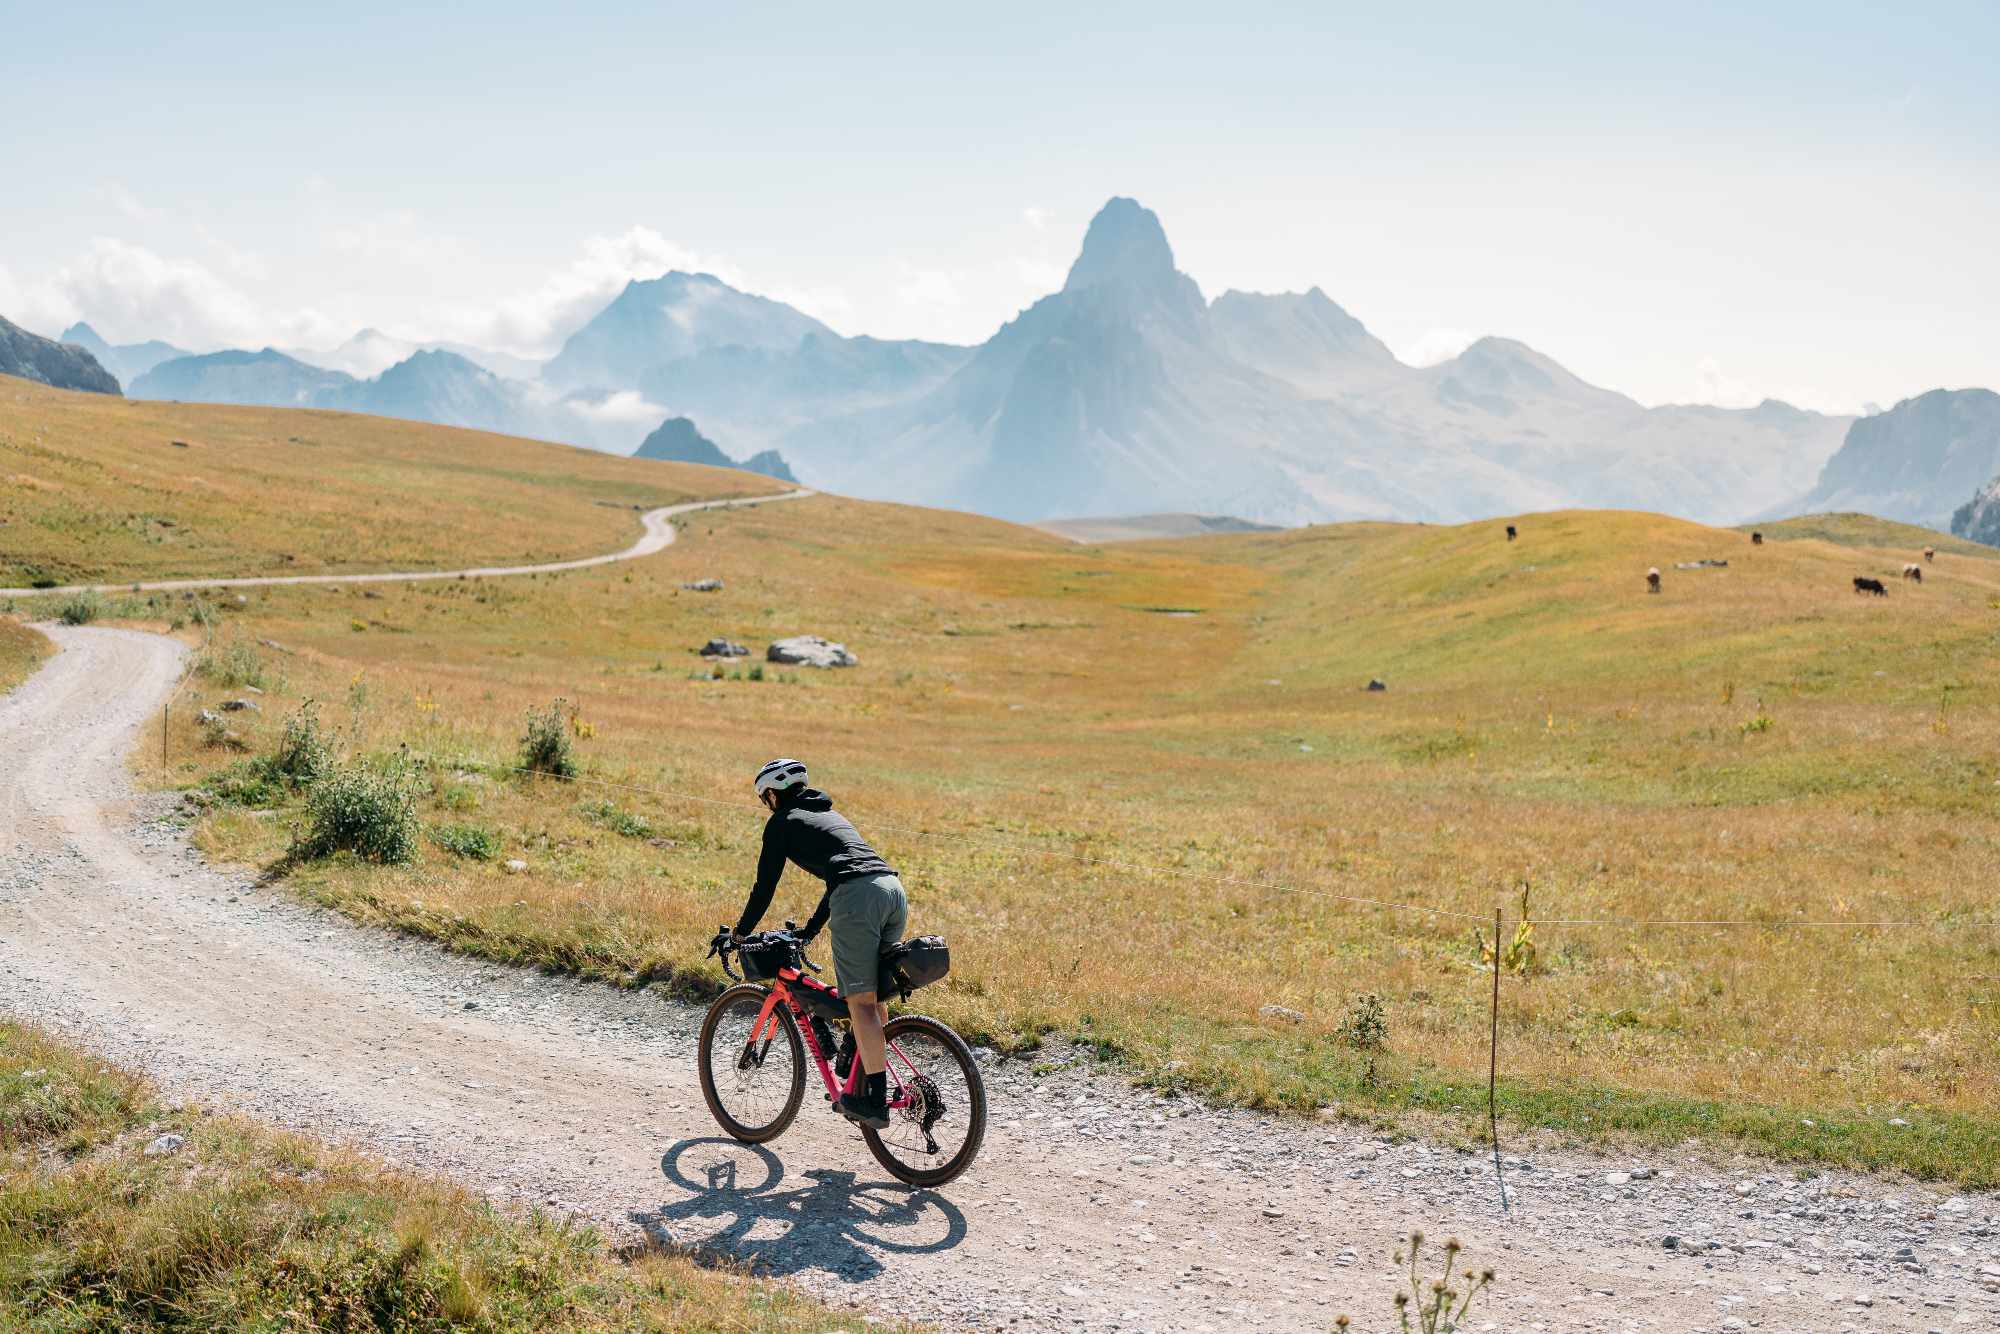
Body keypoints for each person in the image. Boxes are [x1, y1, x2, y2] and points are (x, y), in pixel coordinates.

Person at [734, 757, 906, 1129]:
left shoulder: (782, 822)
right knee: (873, 1000)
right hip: (892, 891)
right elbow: (842, 876)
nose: (767, 805)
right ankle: (862, 1080)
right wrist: (811, 930)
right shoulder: (830, 816)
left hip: (858, 897)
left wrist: (740, 933)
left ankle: (874, 1101)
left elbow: (765, 886)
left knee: (860, 1003)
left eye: (765, 798)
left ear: (773, 795)